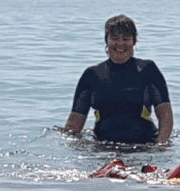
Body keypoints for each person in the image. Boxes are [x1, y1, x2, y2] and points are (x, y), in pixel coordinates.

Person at [63, 15, 174, 143]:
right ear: (107, 41)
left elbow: (165, 115)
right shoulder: (92, 75)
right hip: (102, 147)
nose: (120, 44)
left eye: (126, 39)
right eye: (114, 38)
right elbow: (74, 124)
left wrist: (160, 146)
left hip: (144, 146)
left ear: (134, 41)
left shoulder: (148, 70)